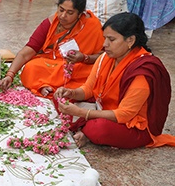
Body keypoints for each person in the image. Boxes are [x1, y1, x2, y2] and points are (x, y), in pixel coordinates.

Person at [55, 12, 175, 148]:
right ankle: (85, 129)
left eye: (111, 40)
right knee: (61, 99)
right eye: (105, 38)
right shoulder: (105, 58)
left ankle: (86, 131)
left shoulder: (142, 71)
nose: (105, 44)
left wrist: (82, 113)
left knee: (98, 129)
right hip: (104, 110)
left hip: (132, 126)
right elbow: (88, 89)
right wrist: (72, 93)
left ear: (130, 40)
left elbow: (124, 114)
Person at [0, 0, 104, 97]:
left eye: (70, 12)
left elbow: (104, 57)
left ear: (79, 14)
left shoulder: (92, 26)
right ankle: (53, 88)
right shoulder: (50, 23)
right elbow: (27, 51)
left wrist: (84, 58)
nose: (63, 16)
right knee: (30, 68)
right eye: (61, 9)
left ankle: (50, 87)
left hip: (79, 67)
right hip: (52, 64)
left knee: (94, 76)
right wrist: (9, 75)